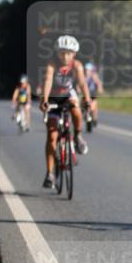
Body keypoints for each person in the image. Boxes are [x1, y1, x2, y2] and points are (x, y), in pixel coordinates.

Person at [39, 35, 91, 188]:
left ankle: (78, 136)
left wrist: (87, 99)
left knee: (75, 108)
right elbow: (48, 81)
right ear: (57, 53)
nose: (65, 56)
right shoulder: (52, 64)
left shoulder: (77, 66)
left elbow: (82, 84)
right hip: (53, 97)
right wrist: (45, 100)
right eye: (62, 53)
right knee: (52, 137)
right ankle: (49, 174)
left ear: (74, 54)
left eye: (69, 53)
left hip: (68, 94)